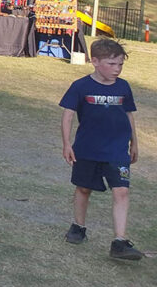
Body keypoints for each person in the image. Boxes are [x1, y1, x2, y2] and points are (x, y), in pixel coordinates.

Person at [59, 38, 143, 260]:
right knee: (84, 189)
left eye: (120, 65)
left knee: (122, 191)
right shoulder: (81, 86)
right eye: (111, 64)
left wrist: (134, 142)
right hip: (87, 149)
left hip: (117, 150)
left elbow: (129, 114)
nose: (117, 70)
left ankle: (120, 242)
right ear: (94, 61)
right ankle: (78, 227)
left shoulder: (123, 87)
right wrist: (67, 144)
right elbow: (67, 115)